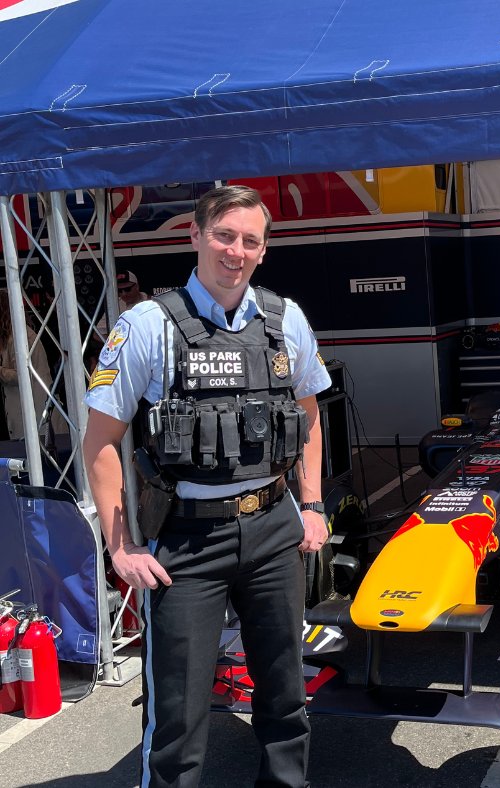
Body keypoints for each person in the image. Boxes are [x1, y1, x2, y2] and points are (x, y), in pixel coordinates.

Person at [82, 185, 331, 788]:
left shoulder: (284, 319)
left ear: (264, 251)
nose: (235, 251)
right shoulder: (147, 325)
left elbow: (310, 416)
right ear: (194, 236)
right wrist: (121, 548)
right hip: (188, 542)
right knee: (179, 718)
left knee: (285, 700)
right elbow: (99, 444)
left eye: (250, 240)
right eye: (224, 235)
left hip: (274, 530)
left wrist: (314, 504)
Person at [0, 289, 61, 442]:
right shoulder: (11, 336)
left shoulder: (21, 336)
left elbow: (22, 374)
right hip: (28, 410)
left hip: (35, 411)